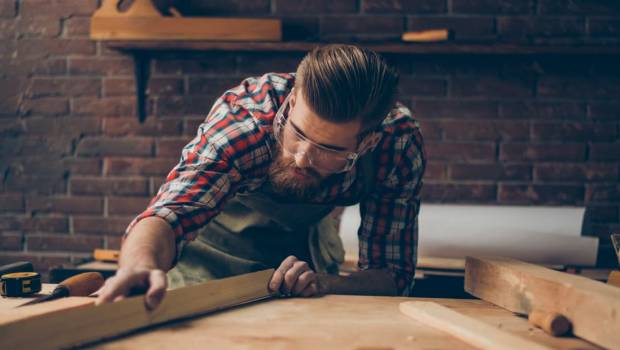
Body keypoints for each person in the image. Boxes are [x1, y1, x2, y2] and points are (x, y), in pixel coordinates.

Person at [95, 44, 426, 309]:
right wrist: (139, 266)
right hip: (211, 252)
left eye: (327, 150)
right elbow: (169, 215)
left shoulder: (397, 146)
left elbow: (392, 274)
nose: (301, 157)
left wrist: (324, 283)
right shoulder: (244, 123)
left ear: (368, 143)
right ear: (293, 100)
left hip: (300, 255)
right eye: (297, 133)